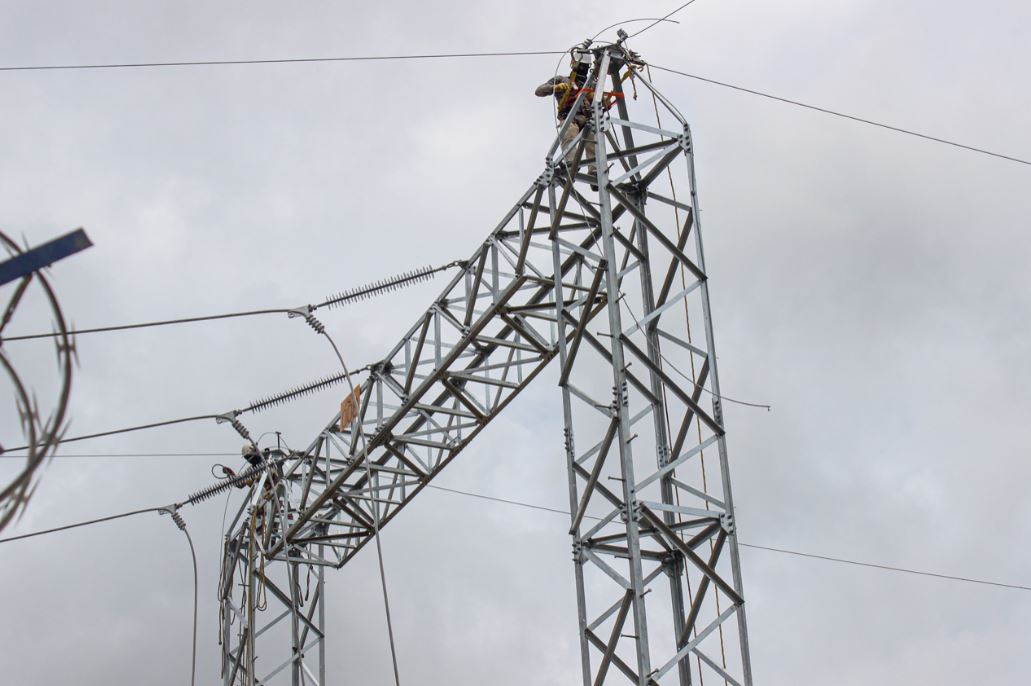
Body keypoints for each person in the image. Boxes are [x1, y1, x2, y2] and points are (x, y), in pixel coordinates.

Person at [535, 45, 597, 186]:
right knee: (569, 134)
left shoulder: (590, 84)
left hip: (587, 119)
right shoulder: (562, 79)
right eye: (581, 66)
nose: (583, 70)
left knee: (593, 140)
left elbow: (599, 102)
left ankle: (594, 172)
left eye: (585, 67)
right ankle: (571, 164)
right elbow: (539, 91)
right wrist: (555, 87)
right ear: (574, 65)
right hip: (570, 117)